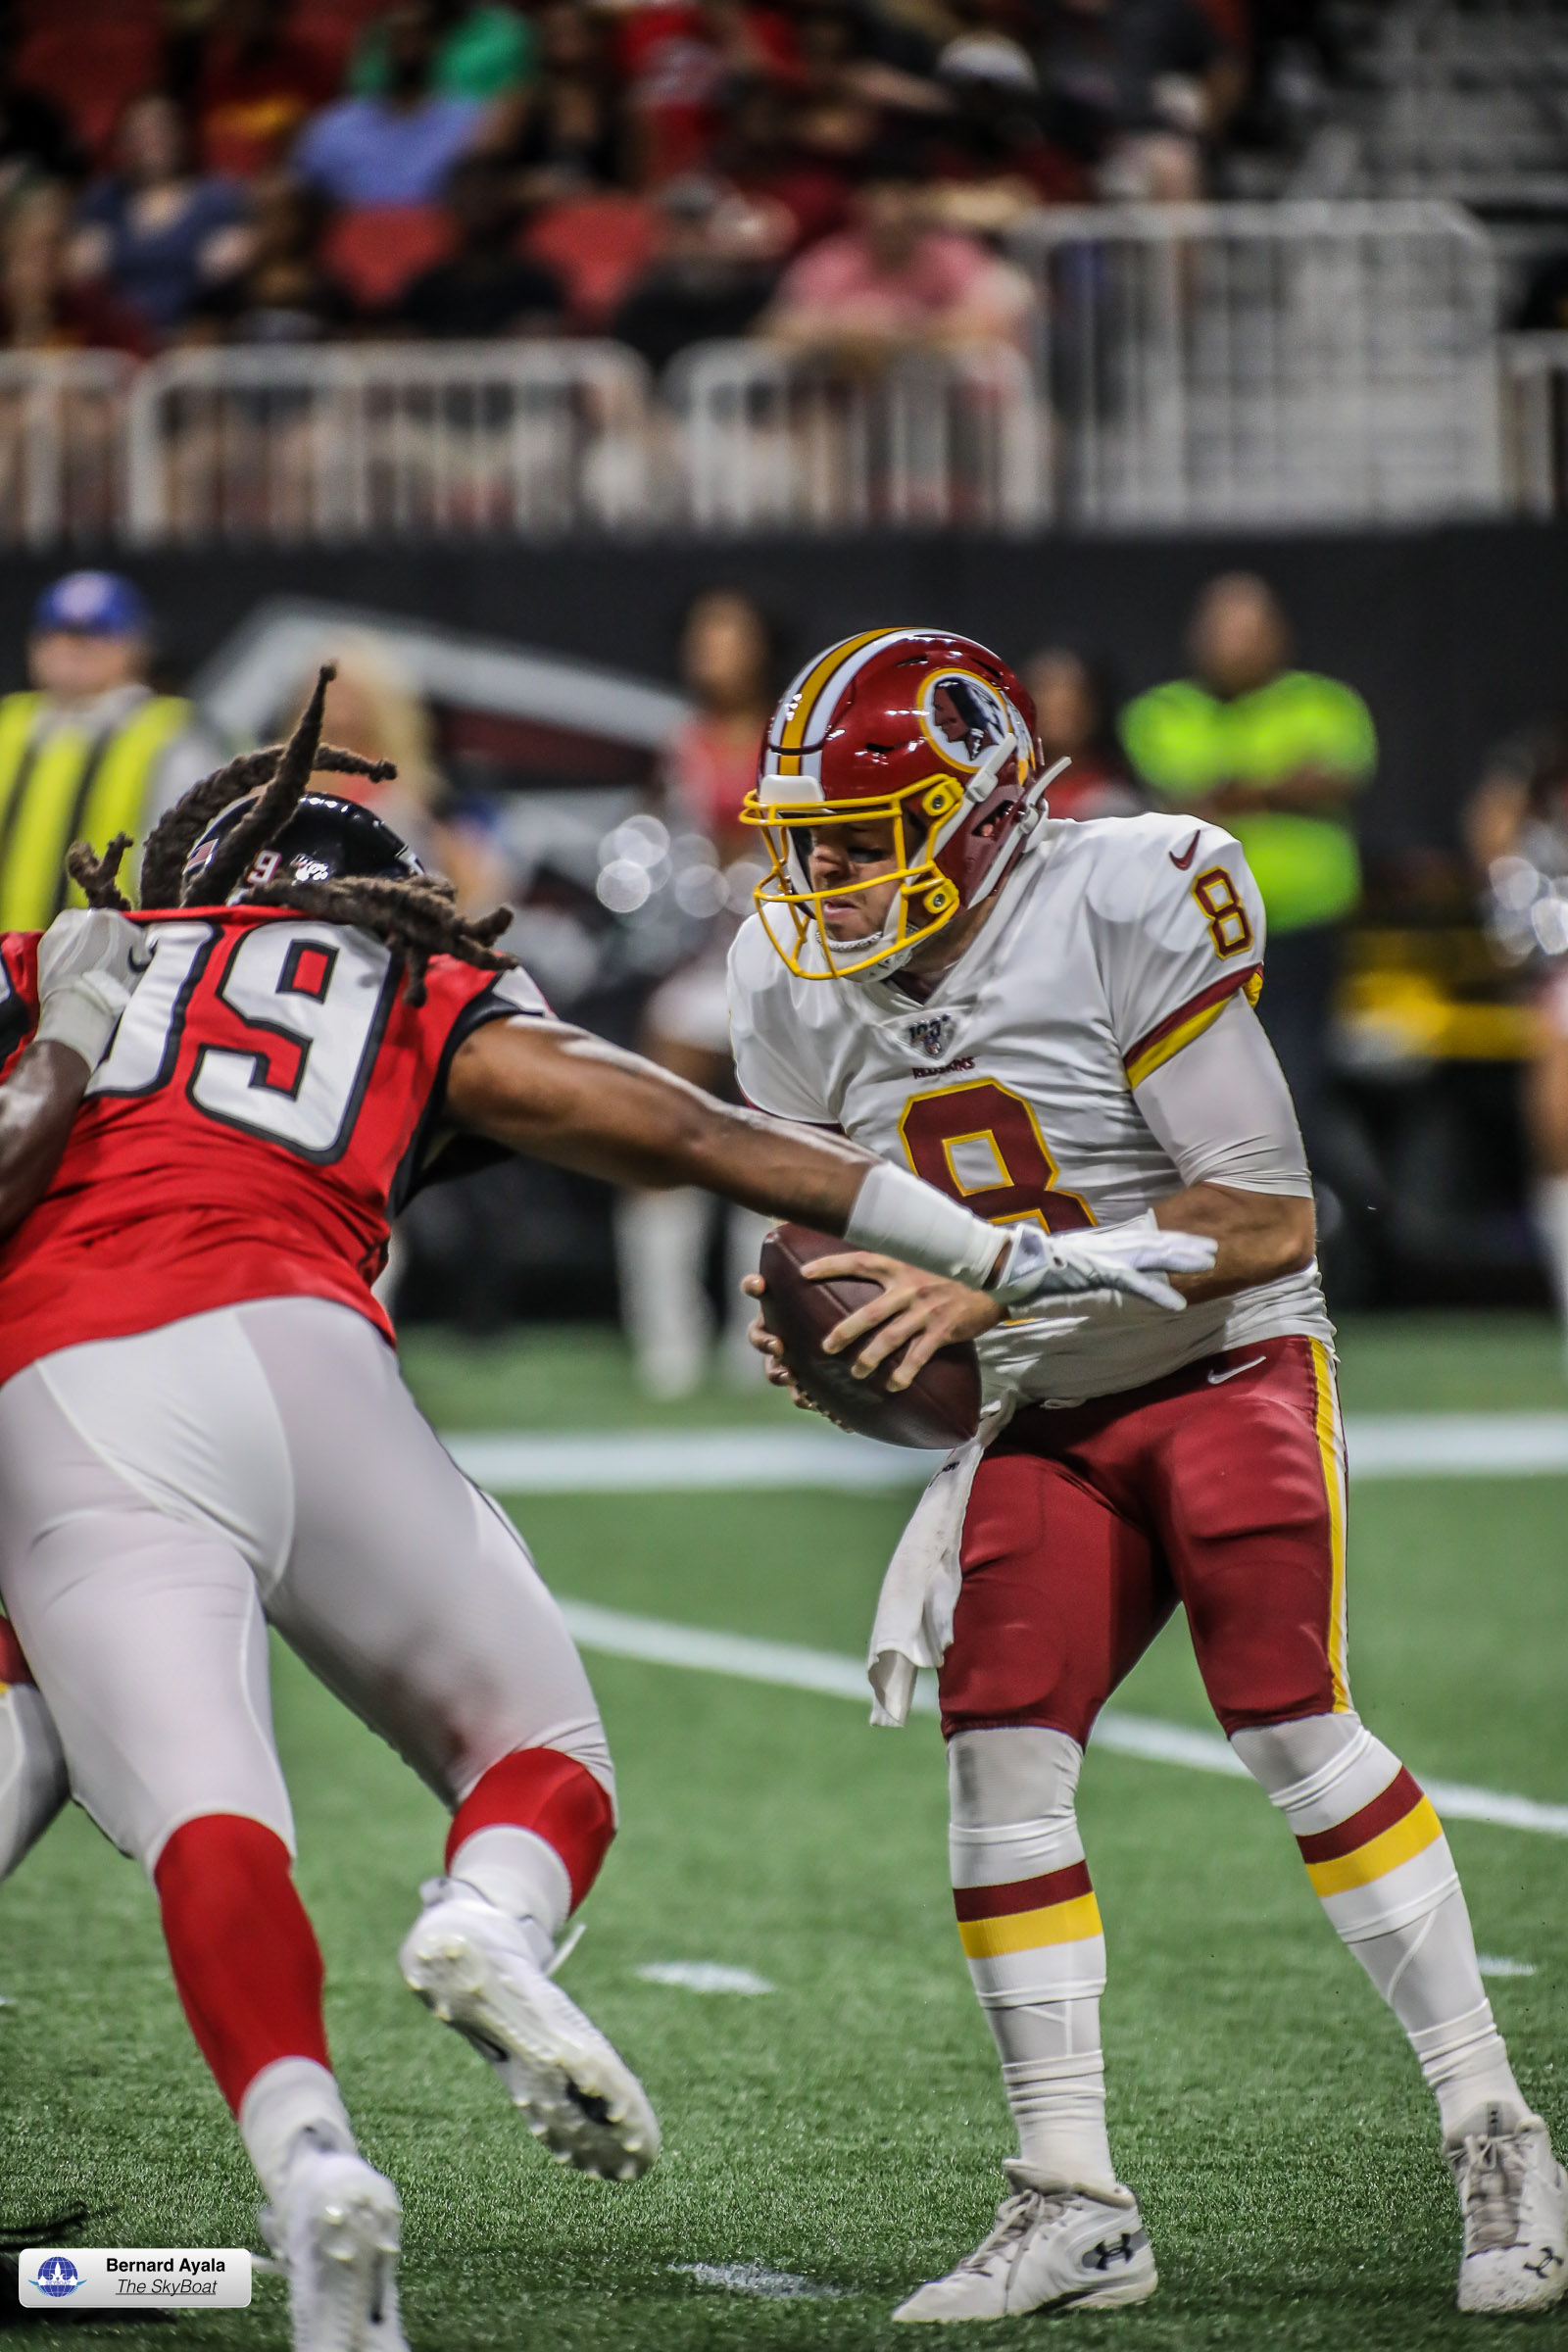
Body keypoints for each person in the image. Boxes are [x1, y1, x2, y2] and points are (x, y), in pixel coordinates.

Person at [0, 670, 1199, 2349]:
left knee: (201, 1805)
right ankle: (480, 1928)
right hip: (312, 1355)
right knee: (543, 1751)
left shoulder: (65, 958)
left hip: (64, 1381)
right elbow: (688, 1133)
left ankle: (313, 2158)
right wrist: (1001, 1254)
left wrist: (64, 1029)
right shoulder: (412, 981)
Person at [732, 626, 1567, 2325]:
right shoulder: (788, 986)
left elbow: (1265, 1215)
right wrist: (840, 1334)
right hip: (1043, 1406)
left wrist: (1000, 1283)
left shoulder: (1123, 895)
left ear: (980, 812)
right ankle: (1072, 2202)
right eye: (806, 844)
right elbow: (840, 1230)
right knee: (998, 1763)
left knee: (1290, 1723)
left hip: (1224, 1360)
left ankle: (1497, 2132)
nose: (823, 881)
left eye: (862, 837)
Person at [1119, 573, 1376, 1163]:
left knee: (1298, 1082)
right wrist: (1276, 784)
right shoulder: (1160, 711)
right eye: (1222, 632)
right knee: (1200, 1088)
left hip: (1303, 932)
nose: (1234, 646)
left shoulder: (1327, 702)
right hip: (1195, 937)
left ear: (1279, 636)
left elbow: (1331, 777)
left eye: (1248, 631)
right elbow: (1170, 797)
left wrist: (1230, 787)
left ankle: (1315, 1204)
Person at [616, 588, 777, 1396]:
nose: (712, 652)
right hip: (692, 966)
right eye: (703, 636)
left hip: (781, 968)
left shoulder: (795, 741)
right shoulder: (676, 747)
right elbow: (642, 856)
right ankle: (666, 1341)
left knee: (773, 1146)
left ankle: (765, 1336)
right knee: (655, 1138)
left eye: (729, 635)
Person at [0, 570, 219, 932]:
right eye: (56, 632)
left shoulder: (170, 735)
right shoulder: (9, 723)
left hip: (113, 955)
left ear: (136, 646)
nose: (69, 647)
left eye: (94, 634)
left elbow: (192, 863)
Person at [1464, 710, 1568, 1365]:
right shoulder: (1535, 819)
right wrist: (1509, 788)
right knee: (1557, 1130)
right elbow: (1510, 910)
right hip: (1557, 986)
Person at [764, 167, 1036, 359]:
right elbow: (781, 328)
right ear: (857, 203)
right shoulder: (831, 261)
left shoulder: (955, 254)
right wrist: (844, 330)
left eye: (901, 196)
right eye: (880, 196)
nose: (891, 212)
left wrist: (907, 331)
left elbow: (995, 314)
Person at [69, 93, 250, 339]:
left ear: (181, 136)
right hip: (119, 340)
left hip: (196, 337)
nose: (151, 140)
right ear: (123, 142)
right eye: (139, 132)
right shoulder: (103, 200)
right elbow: (74, 266)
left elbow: (244, 255)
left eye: (159, 129)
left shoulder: (217, 199)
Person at [292, 0, 490, 210]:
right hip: (354, 227)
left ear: (437, 44)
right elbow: (299, 193)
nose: (407, 48)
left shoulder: (471, 124)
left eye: (416, 35)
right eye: (397, 36)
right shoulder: (334, 127)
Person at [394, 151, 564, 337]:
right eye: (467, 196)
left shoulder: (536, 284)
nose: (476, 206)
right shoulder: (427, 287)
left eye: (486, 196)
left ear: (507, 203)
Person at [1026, 643, 1142, 821]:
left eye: (1073, 692)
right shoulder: (1001, 796)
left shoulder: (1119, 806)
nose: (1058, 704)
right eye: (1043, 690)